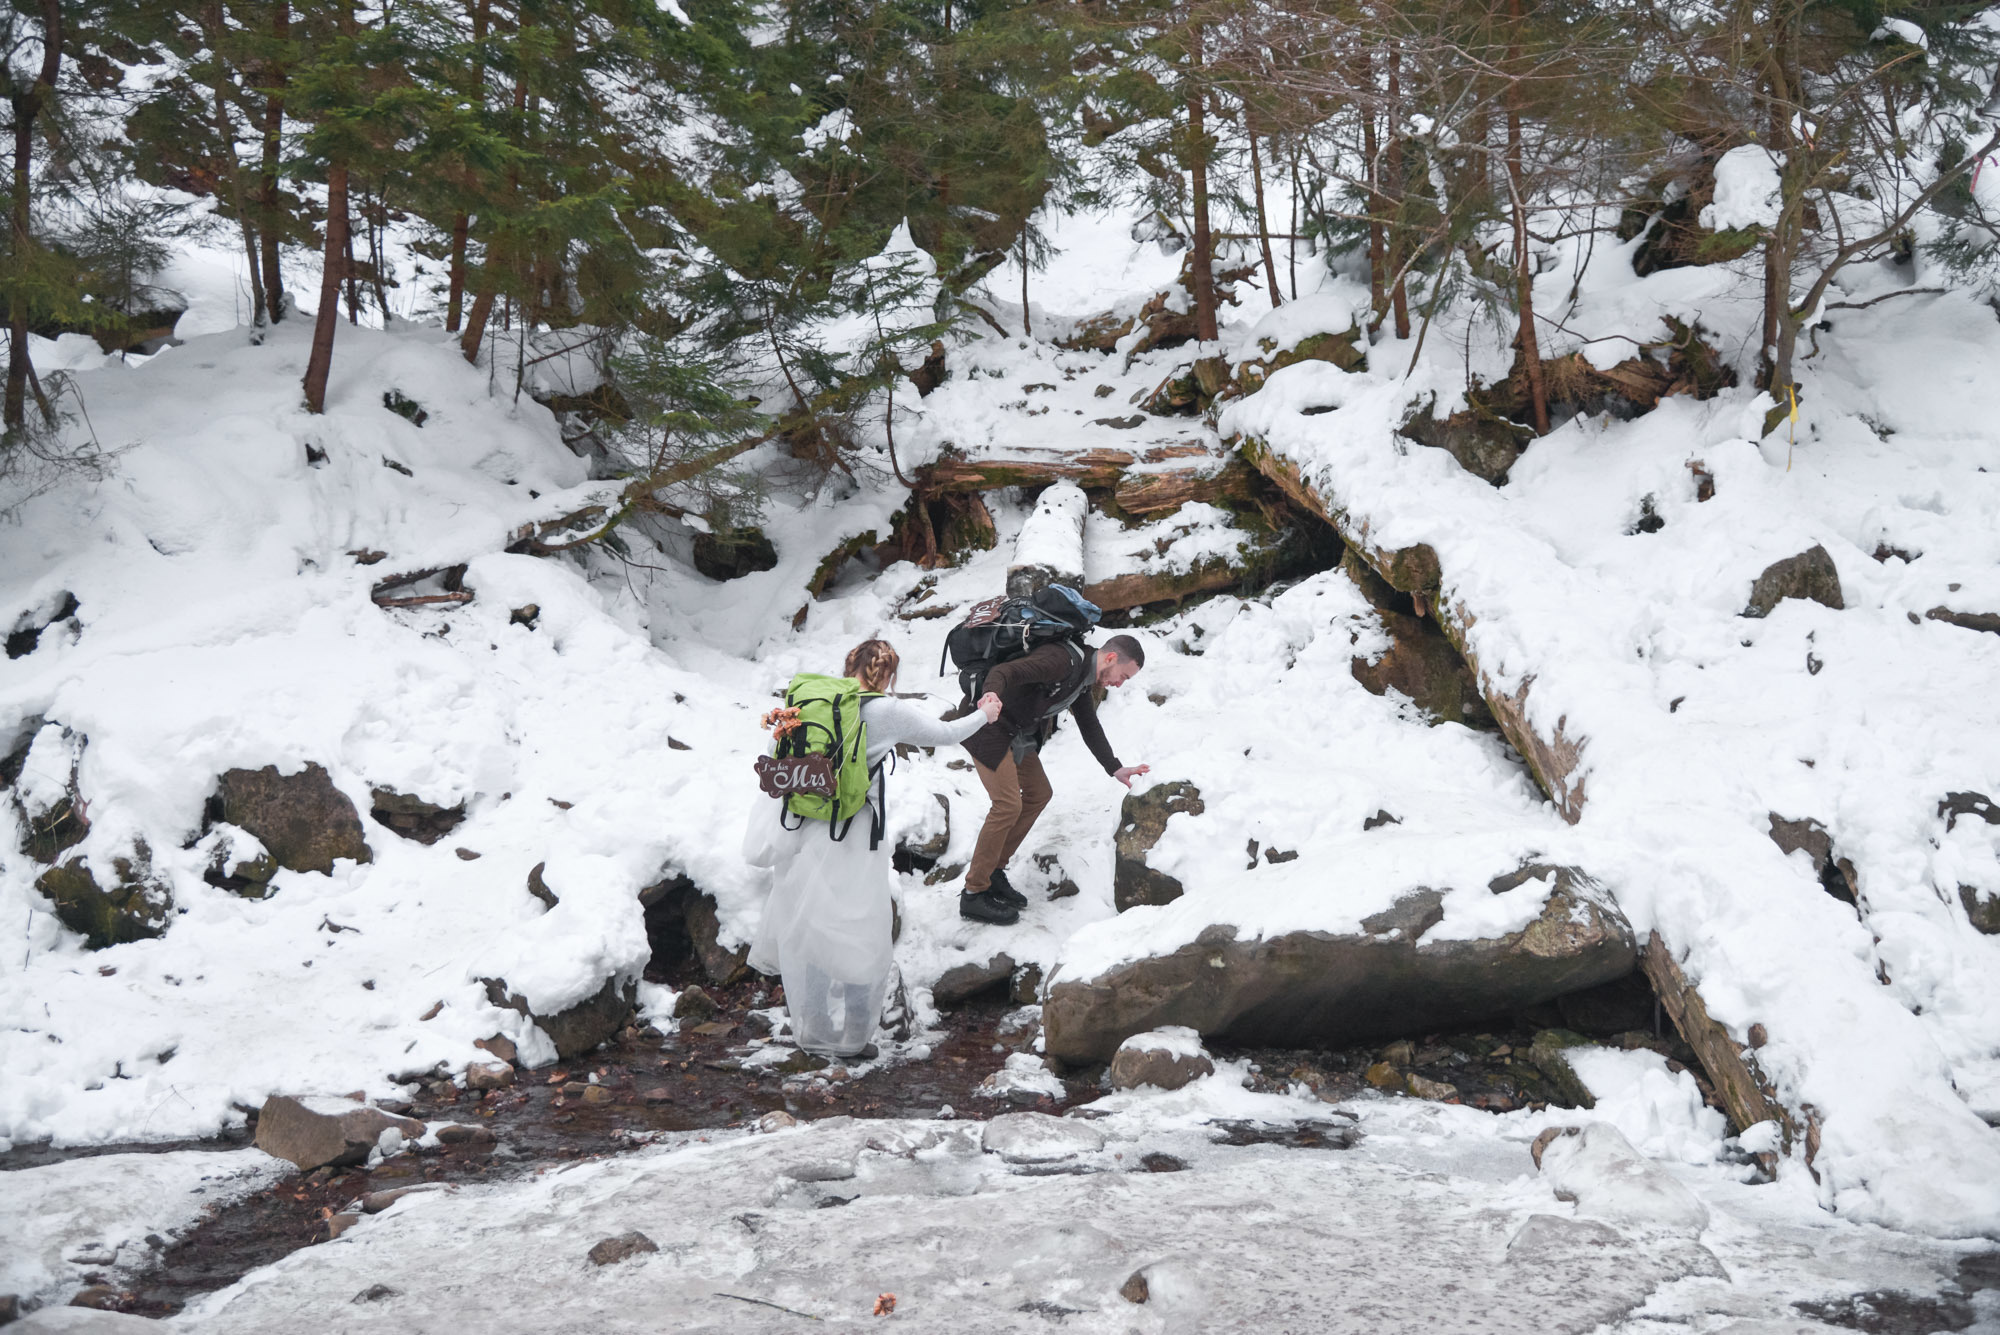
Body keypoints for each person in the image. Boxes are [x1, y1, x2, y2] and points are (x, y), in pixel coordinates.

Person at [747, 639, 1002, 1059]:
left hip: (804, 833)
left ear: (848, 666)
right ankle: (852, 1038)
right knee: (859, 930)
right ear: (889, 674)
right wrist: (985, 713)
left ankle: (814, 1031)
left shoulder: (811, 705)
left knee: (812, 929)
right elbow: (945, 734)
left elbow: (780, 760)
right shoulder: (886, 710)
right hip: (852, 838)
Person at [959, 631, 1150, 925]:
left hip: (1015, 735)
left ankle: (994, 870)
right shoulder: (1061, 661)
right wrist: (991, 695)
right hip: (987, 727)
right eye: (1123, 676)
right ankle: (974, 893)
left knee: (1039, 793)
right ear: (1111, 658)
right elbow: (1003, 672)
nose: (1119, 684)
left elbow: (1089, 724)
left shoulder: (1082, 679)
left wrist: (1114, 767)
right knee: (1007, 805)